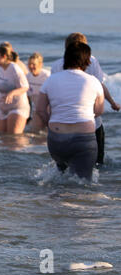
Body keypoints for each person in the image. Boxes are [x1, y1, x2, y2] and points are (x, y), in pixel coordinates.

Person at [36, 42, 105, 181]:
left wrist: (50, 122)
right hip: (83, 140)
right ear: (87, 61)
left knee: (60, 177)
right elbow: (99, 110)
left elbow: (40, 109)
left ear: (66, 58)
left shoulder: (51, 80)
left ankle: (55, 201)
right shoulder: (93, 81)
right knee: (82, 183)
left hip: (56, 139)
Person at [50, 32, 120, 165]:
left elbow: (54, 93)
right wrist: (112, 102)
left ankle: (62, 185)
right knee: (96, 164)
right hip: (90, 124)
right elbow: (100, 85)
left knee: (64, 165)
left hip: (62, 123)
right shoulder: (92, 61)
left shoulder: (56, 65)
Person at [0, 43, 30, 134]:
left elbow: (25, 87)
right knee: (3, 138)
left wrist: (11, 93)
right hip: (4, 109)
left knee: (14, 140)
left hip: (17, 108)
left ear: (4, 56)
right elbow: (5, 85)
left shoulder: (14, 68)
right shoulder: (3, 68)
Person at [26, 52, 50, 133]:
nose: (31, 66)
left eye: (33, 64)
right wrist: (28, 115)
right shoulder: (28, 77)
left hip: (48, 110)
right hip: (36, 110)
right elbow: (28, 99)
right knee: (36, 132)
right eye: (29, 64)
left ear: (40, 64)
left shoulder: (47, 76)